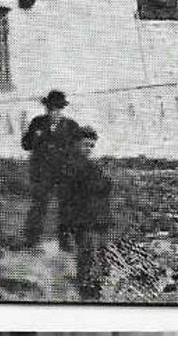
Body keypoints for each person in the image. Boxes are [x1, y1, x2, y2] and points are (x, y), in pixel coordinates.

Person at [58, 125, 113, 300]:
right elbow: (68, 196)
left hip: (97, 217)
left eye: (91, 146)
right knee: (87, 254)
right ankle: (86, 290)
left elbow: (104, 187)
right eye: (85, 145)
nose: (88, 149)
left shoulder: (90, 165)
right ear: (76, 144)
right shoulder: (71, 166)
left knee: (100, 252)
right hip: (83, 219)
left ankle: (95, 286)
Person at [20, 89, 81, 247]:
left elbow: (77, 151)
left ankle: (65, 242)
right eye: (51, 108)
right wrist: (35, 136)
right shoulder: (37, 123)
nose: (53, 112)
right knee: (39, 206)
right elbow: (25, 145)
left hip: (64, 174)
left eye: (57, 108)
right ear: (46, 108)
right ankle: (31, 241)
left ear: (62, 109)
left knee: (66, 207)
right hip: (42, 174)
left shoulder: (71, 126)